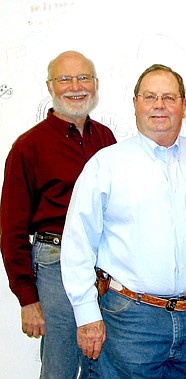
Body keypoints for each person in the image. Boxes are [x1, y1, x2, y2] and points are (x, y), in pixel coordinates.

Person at [60, 64, 186, 378]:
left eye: (169, 97)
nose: (159, 105)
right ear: (135, 103)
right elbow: (78, 243)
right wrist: (86, 314)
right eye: (150, 97)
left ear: (184, 106)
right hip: (130, 321)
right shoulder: (107, 164)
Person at [0, 50, 116, 378]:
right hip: (55, 264)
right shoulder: (29, 146)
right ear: (50, 86)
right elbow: (11, 229)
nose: (75, 86)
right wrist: (27, 299)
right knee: (61, 366)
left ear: (95, 85)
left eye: (83, 78)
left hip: (104, 265)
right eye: (65, 79)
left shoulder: (106, 139)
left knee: (105, 362)